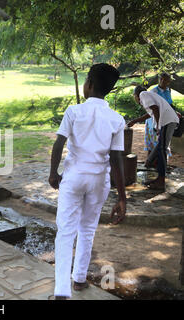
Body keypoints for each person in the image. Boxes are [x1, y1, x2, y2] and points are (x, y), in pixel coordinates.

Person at [49, 63, 127, 300]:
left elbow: (59, 143)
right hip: (98, 181)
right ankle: (79, 279)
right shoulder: (117, 119)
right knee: (87, 229)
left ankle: (62, 291)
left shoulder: (74, 111)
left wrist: (53, 173)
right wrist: (122, 197)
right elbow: (116, 159)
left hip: (73, 178)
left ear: (89, 84)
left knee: (65, 231)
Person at [130, 86, 179, 190]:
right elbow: (150, 114)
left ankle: (161, 180)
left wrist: (158, 126)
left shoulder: (143, 94)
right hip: (169, 119)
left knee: (162, 149)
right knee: (161, 146)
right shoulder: (148, 96)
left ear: (136, 95)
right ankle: (153, 169)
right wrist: (135, 121)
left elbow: (155, 109)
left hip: (167, 120)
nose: (135, 98)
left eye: (134, 96)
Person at [128, 73, 174, 161]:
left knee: (160, 144)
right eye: (161, 79)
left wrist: (159, 125)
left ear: (169, 81)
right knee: (153, 143)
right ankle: (152, 163)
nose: (163, 81)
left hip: (161, 120)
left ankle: (155, 163)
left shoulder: (168, 91)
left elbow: (161, 107)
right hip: (153, 120)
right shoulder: (153, 91)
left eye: (165, 80)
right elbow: (153, 111)